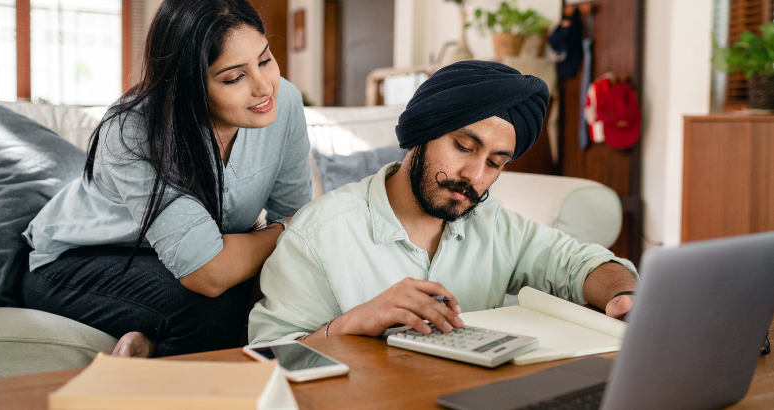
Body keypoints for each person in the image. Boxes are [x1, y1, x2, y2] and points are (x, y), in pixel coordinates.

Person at [248, 61, 638, 344]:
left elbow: (582, 264)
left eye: (495, 163)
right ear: (423, 131)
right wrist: (352, 322)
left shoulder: (492, 224)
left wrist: (624, 297)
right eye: (464, 147)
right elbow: (267, 359)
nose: (476, 175)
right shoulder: (319, 235)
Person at [21, 0, 312, 357]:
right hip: (78, 261)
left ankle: (152, 339)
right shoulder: (133, 130)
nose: (265, 87)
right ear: (188, 84)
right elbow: (209, 271)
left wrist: (284, 234)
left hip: (174, 261)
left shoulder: (285, 105)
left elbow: (298, 223)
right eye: (235, 77)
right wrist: (283, 231)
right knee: (212, 306)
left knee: (282, 283)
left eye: (265, 60)